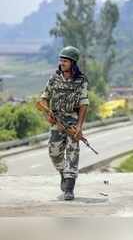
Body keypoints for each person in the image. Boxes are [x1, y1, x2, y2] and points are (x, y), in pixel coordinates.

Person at [39, 46, 89, 201]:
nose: (62, 63)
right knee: (54, 153)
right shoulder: (54, 78)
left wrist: (79, 126)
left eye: (65, 60)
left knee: (73, 153)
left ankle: (69, 186)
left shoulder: (81, 80)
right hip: (56, 122)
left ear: (73, 63)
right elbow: (43, 99)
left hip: (72, 122)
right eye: (61, 60)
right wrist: (48, 114)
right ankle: (63, 173)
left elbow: (83, 104)